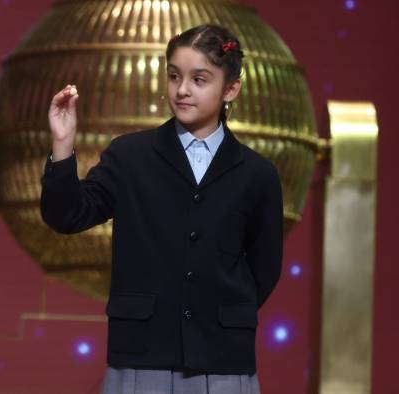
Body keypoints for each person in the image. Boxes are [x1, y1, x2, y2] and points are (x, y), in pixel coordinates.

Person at [41, 25, 283, 394]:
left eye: (199, 79)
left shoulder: (257, 174)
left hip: (222, 361)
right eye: (174, 76)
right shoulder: (130, 156)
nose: (182, 89)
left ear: (231, 88)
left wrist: (222, 311)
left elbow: (264, 269)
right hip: (142, 356)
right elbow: (67, 215)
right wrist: (62, 144)